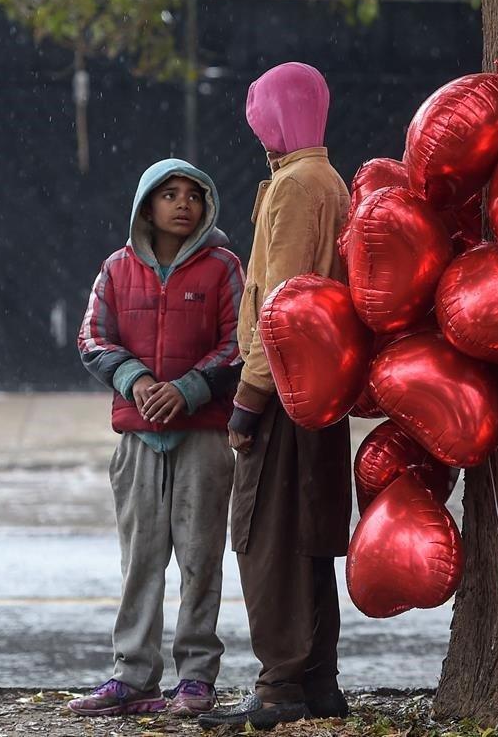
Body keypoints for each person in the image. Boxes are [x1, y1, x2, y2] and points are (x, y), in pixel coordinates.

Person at [198, 62, 353, 731]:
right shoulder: (330, 180)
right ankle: (318, 679)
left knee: (268, 537)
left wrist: (248, 398)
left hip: (286, 389)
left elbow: (278, 306)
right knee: (309, 537)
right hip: (323, 390)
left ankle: (278, 684)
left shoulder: (294, 186)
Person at [70, 159, 243, 718]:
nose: (182, 204)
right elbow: (93, 337)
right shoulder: (116, 270)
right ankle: (132, 675)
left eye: (194, 195)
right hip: (139, 443)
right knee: (140, 560)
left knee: (200, 560)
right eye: (169, 194)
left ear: (207, 206)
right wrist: (137, 379)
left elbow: (241, 341)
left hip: (203, 439)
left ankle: (195, 678)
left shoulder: (223, 267)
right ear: (146, 205)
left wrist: (190, 388)